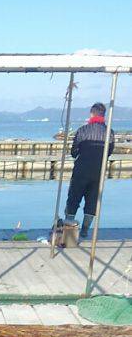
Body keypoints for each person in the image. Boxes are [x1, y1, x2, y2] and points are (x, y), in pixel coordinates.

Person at [65, 102, 114, 239]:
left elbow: (74, 152)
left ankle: (69, 229)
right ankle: (85, 230)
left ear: (92, 114)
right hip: (98, 172)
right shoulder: (109, 132)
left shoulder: (82, 130)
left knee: (73, 199)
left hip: (81, 170)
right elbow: (109, 152)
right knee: (92, 201)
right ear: (103, 115)